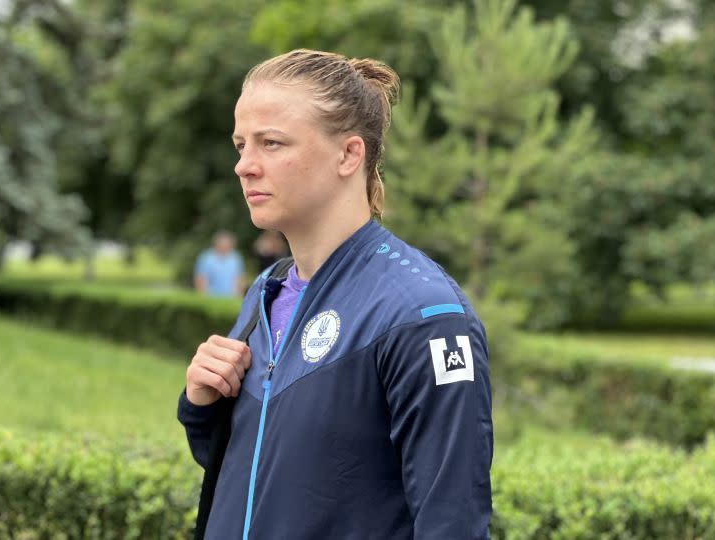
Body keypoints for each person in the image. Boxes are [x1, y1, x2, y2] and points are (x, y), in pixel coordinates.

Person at [177, 49, 493, 539]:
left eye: (272, 143)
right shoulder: (267, 291)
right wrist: (203, 408)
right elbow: (268, 477)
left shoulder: (424, 315)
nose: (245, 166)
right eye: (241, 145)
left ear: (349, 154)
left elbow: (451, 519)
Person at [194, 230, 246, 297]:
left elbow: (240, 279)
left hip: (231, 298)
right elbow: (200, 280)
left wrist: (239, 295)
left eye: (228, 244)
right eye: (223, 244)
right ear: (216, 244)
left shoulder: (236, 258)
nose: (225, 247)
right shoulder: (206, 257)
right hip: (210, 297)